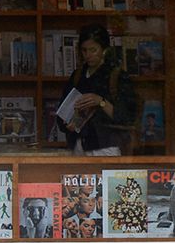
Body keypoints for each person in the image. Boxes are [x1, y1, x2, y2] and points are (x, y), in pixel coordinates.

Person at [56, 23, 138, 156]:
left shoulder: (116, 76)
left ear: (104, 50)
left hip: (106, 145)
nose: (88, 55)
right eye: (84, 50)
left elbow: (126, 116)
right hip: (78, 144)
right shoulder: (78, 76)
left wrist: (100, 101)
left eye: (93, 50)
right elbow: (62, 112)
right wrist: (68, 122)